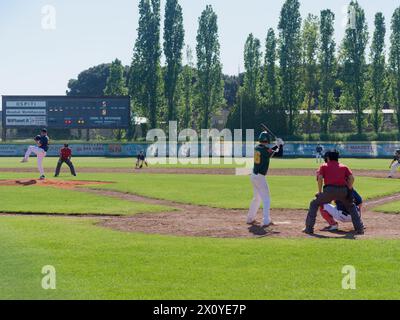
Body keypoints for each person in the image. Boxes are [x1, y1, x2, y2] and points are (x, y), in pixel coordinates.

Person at [303, 150, 365, 235]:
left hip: (329, 190)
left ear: (328, 158)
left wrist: (320, 192)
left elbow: (320, 178)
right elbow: (351, 178)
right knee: (351, 206)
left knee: (314, 203)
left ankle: (309, 228)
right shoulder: (344, 167)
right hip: (343, 190)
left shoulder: (323, 166)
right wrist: (349, 190)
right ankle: (360, 229)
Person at [247, 132, 276, 228]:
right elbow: (273, 153)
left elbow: (270, 153)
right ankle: (266, 220)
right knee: (266, 199)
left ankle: (250, 218)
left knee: (257, 198)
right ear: (267, 140)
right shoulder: (264, 149)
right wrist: (278, 144)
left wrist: (277, 145)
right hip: (260, 176)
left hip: (254, 175)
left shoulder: (257, 147)